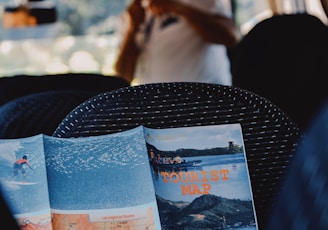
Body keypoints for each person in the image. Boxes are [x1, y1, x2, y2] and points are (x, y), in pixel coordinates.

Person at [114, 0, 239, 86]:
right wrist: (133, 29)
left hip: (210, 105)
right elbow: (123, 77)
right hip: (161, 114)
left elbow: (230, 36)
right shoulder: (130, 16)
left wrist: (177, 8)